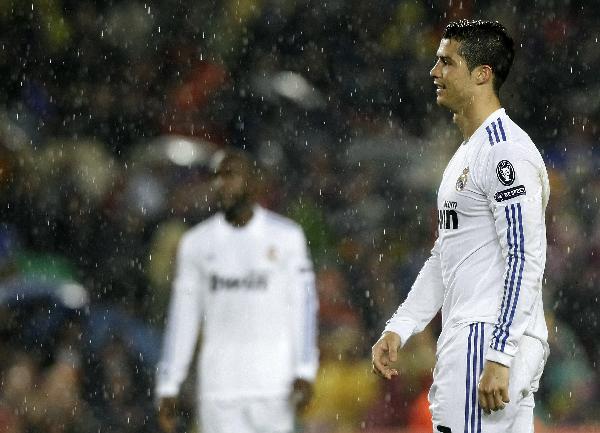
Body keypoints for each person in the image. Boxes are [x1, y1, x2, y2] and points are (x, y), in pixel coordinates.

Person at [372, 20, 549, 433]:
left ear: (482, 74)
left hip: (484, 336)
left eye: (446, 62)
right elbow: (445, 255)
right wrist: (400, 327)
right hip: (484, 334)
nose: (435, 72)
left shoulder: (505, 152)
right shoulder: (468, 153)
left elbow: (524, 256)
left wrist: (500, 354)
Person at [155, 149, 319, 433]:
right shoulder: (196, 244)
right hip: (220, 389)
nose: (222, 184)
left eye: (231, 176)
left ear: (253, 183)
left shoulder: (286, 237)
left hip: (274, 386)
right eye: (217, 177)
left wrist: (304, 370)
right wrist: (169, 383)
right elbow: (183, 316)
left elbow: (302, 307)